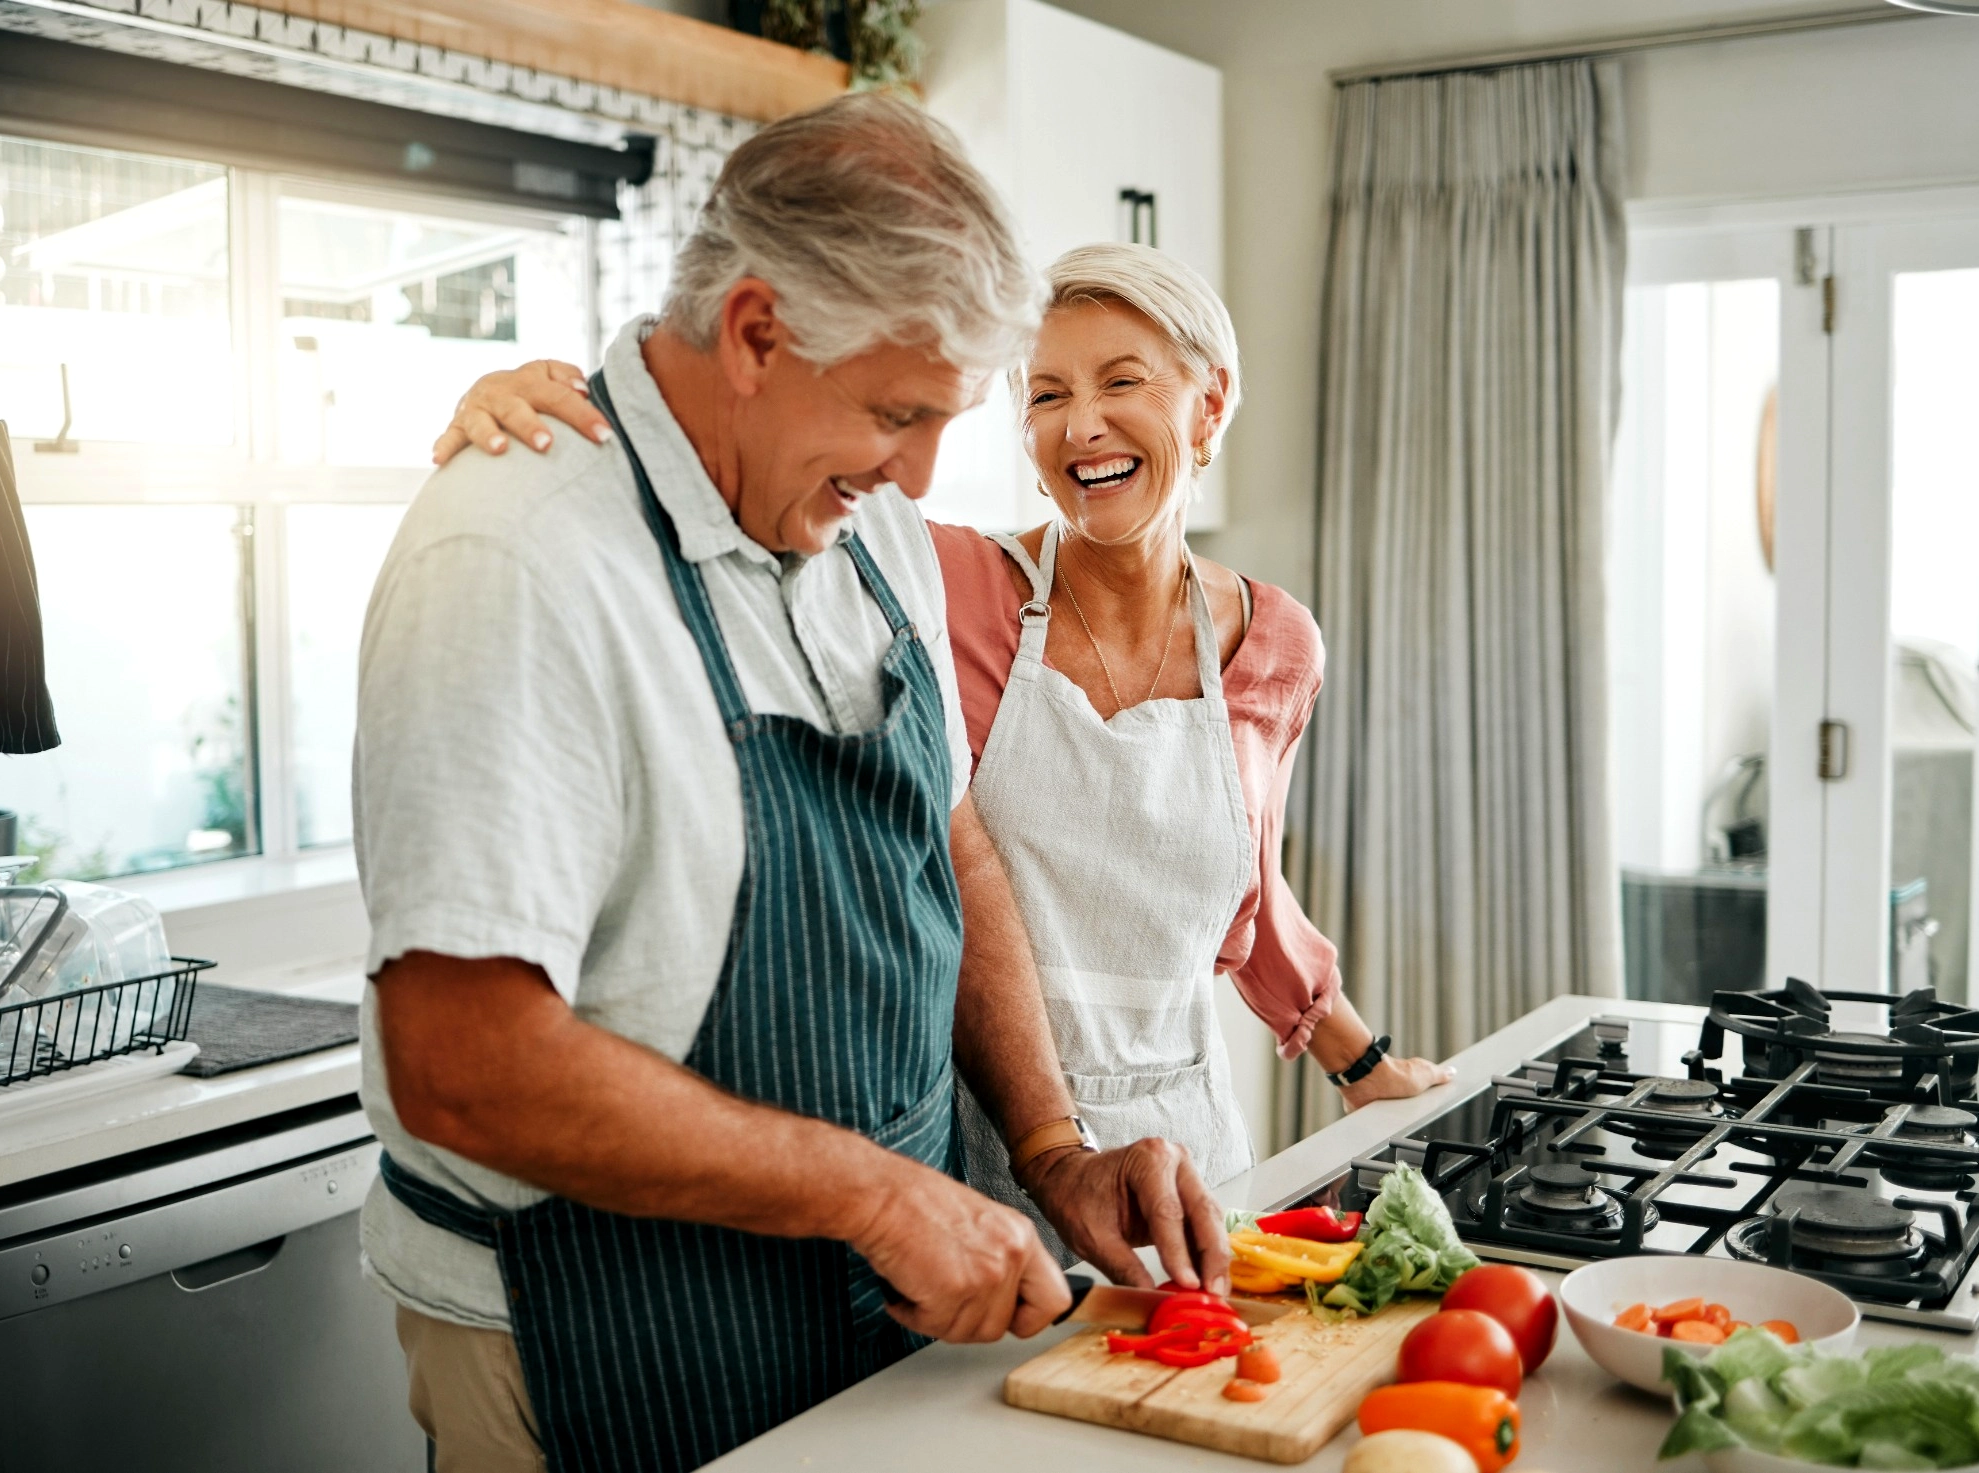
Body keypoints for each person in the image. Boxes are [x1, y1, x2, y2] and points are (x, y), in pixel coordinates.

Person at [357, 96, 1230, 1473]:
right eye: (896, 413)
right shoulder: (518, 557)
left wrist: (1052, 1149)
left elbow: (949, 845)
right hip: (600, 1320)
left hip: (855, 1291)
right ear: (756, 332)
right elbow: (463, 1064)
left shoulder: (861, 517)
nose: (919, 475)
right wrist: (872, 1194)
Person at [437, 241, 1453, 1262]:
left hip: (1191, 1150)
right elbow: (740, 471)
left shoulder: (1272, 641)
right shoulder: (945, 579)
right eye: (1044, 393)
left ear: (1210, 402)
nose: (1080, 423)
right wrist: (560, 412)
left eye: (1122, 381)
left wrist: (1360, 1062)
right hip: (977, 1153)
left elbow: (1243, 887)